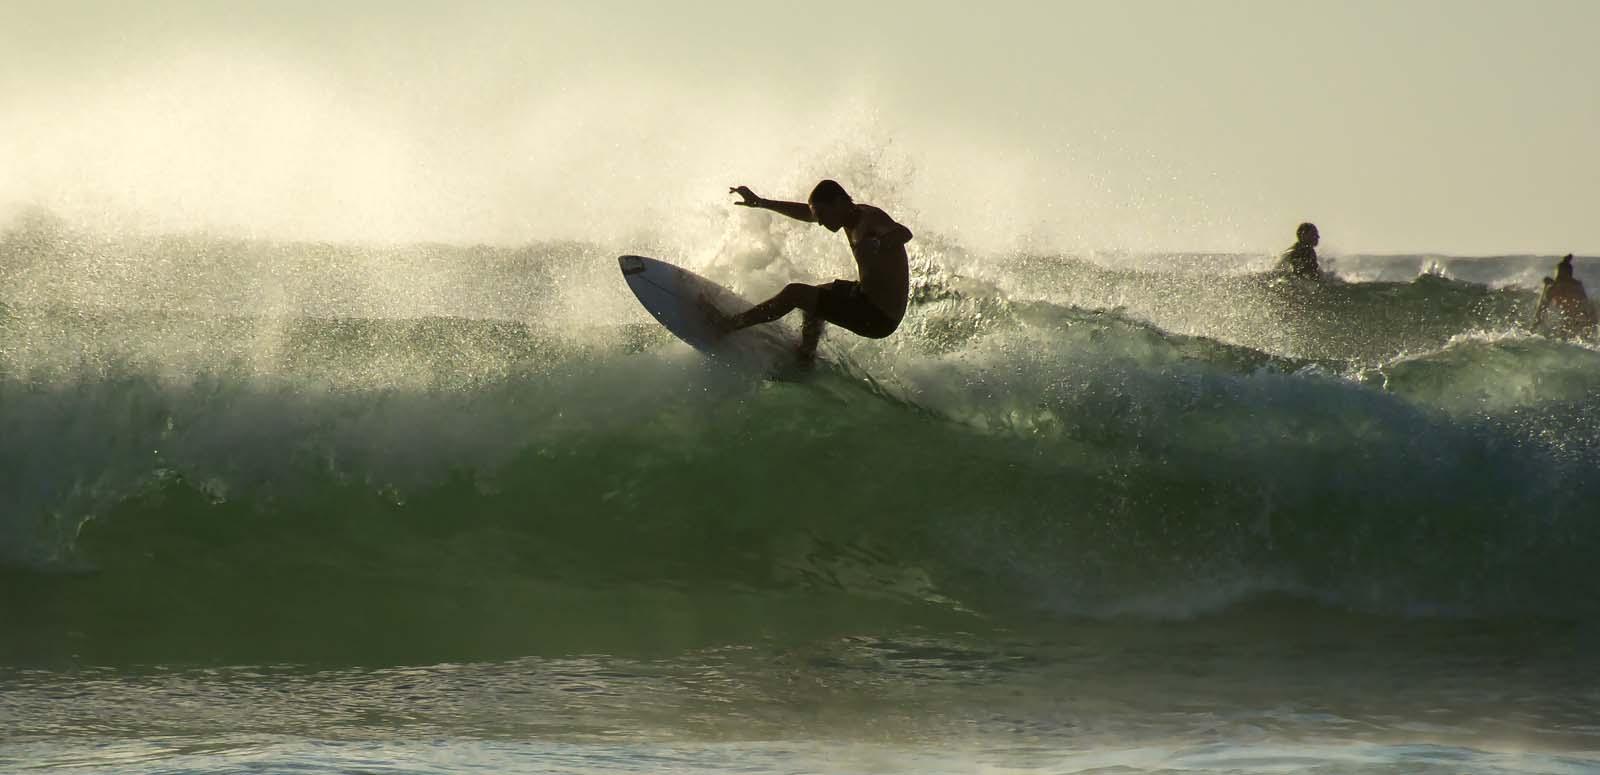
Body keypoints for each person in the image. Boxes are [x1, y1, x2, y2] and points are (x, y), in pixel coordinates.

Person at [710, 180, 913, 364]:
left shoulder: (870, 218)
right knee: (813, 299)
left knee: (795, 293)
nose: (821, 223)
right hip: (865, 296)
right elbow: (807, 213)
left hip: (878, 317)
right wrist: (761, 202)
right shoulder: (847, 216)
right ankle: (806, 357)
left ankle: (727, 325)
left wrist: (879, 243)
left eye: (823, 215)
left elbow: (904, 233)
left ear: (838, 203)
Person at [1534, 254, 1597, 340]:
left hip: (1577, 317)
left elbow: (1589, 308)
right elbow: (1541, 308)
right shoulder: (1555, 288)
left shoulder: (1575, 287)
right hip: (1570, 316)